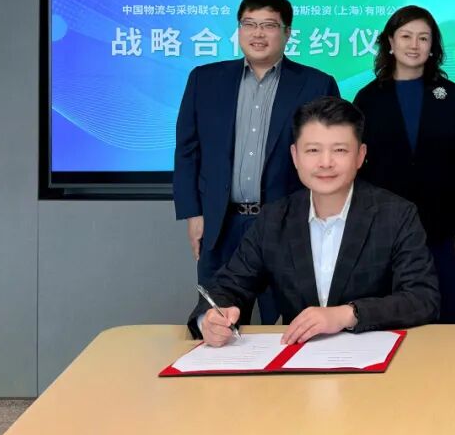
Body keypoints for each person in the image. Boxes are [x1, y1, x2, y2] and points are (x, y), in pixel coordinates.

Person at [189, 96, 440, 346]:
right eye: (313, 150)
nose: (325, 163)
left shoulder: (396, 215)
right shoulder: (274, 219)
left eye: (340, 150)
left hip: (377, 357)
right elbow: (227, 286)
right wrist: (210, 320)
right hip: (298, 358)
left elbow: (422, 298)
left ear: (360, 155)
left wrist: (348, 314)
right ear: (295, 156)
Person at [174, 0, 340, 325]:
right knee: (217, 322)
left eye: (268, 25)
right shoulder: (205, 80)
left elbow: (331, 157)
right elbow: (187, 151)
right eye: (249, 24)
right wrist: (193, 213)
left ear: (287, 32)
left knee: (296, 326)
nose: (258, 34)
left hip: (289, 224)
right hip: (222, 224)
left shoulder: (316, 84)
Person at [353, 5, 455, 323]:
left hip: (439, 224)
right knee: (389, 311)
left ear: (433, 46)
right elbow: (358, 166)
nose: (414, 45)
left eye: (423, 38)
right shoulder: (368, 98)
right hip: (383, 226)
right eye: (406, 36)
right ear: (390, 43)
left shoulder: (449, 94)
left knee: (445, 309)